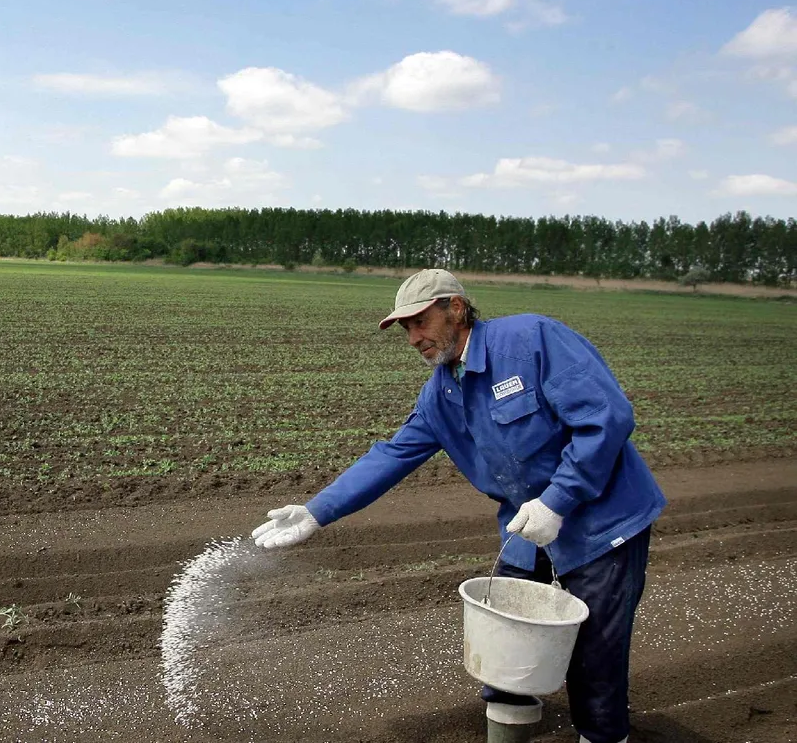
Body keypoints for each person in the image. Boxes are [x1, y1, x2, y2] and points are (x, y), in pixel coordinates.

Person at [252, 269, 665, 743]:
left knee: (596, 655)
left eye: (419, 321)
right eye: (405, 329)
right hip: (526, 529)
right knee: (506, 642)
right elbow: (393, 454)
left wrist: (558, 500)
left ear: (455, 307)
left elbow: (605, 418)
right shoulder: (442, 392)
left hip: (601, 522)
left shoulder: (531, 340)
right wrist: (316, 510)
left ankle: (602, 735)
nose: (413, 339)